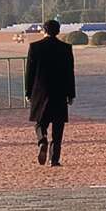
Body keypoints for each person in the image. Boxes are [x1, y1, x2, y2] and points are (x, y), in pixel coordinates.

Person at [23, 18, 75, 166]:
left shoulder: (35, 47)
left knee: (40, 123)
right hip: (59, 92)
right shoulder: (65, 48)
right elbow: (69, 73)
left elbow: (30, 72)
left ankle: (42, 140)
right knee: (58, 127)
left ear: (44, 30)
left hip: (40, 91)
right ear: (58, 31)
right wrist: (71, 94)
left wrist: (28, 92)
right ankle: (54, 159)